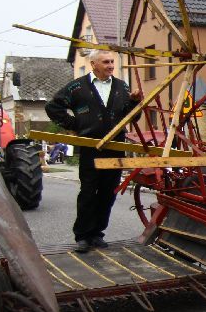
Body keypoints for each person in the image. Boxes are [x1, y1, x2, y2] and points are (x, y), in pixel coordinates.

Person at [46, 50, 142, 253]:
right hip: (91, 148)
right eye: (106, 62)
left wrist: (135, 102)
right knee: (88, 192)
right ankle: (83, 235)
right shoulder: (77, 87)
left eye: (112, 62)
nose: (110, 65)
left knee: (108, 192)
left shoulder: (121, 87)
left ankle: (97, 233)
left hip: (116, 148)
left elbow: (132, 117)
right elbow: (53, 107)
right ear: (93, 64)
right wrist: (75, 124)